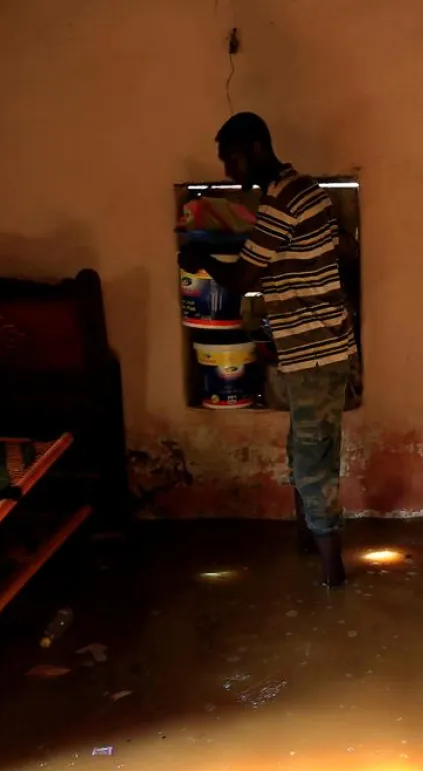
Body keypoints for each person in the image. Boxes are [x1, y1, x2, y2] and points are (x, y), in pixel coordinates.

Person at [179, 112, 356, 586]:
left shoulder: (284, 201)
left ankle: (331, 574)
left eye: (231, 160)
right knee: (307, 452)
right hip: (321, 349)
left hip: (315, 353)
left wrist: (200, 258)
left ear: (256, 148)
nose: (228, 173)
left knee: (312, 460)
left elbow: (240, 280)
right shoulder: (301, 190)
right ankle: (311, 545)